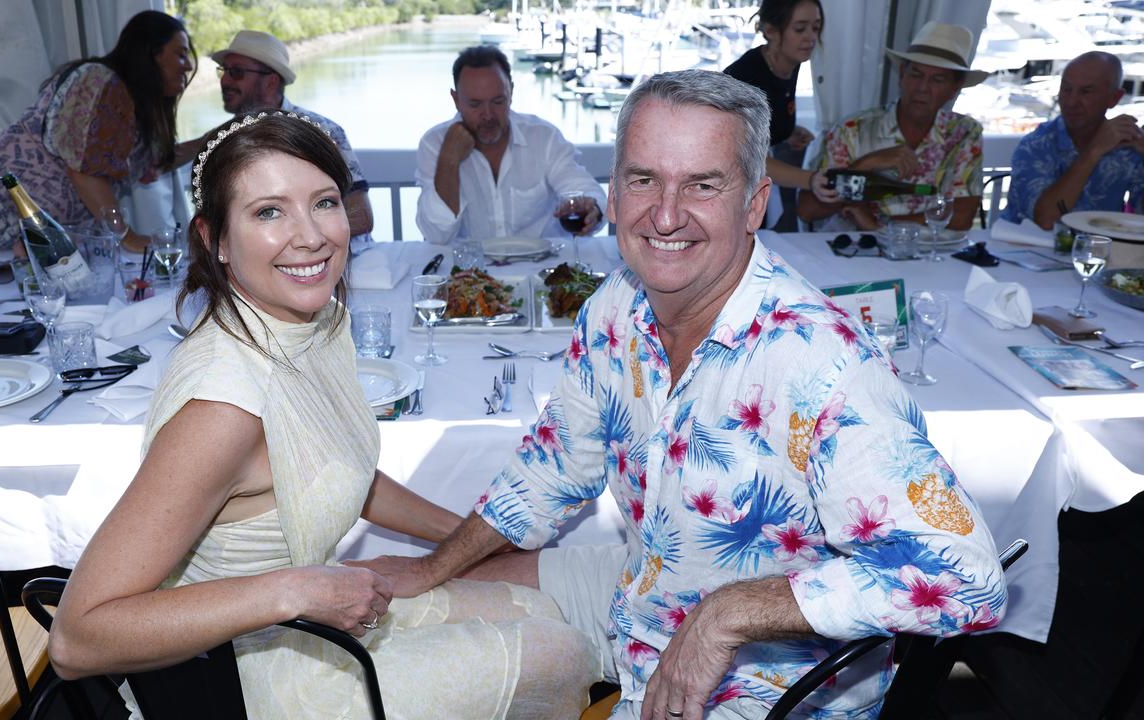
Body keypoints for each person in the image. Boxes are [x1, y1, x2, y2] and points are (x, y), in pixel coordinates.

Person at [357, 69, 1006, 719]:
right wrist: (431, 567)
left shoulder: (822, 364)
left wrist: (728, 614)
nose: (665, 215)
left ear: (753, 204)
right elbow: (549, 472)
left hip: (775, 684)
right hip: (649, 581)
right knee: (408, 601)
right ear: (613, 195)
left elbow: (967, 579)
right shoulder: (615, 309)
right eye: (644, 179)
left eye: (702, 184)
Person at [47, 112, 599, 719]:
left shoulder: (313, 325)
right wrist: (294, 589)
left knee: (543, 611)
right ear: (215, 240)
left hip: (310, 610)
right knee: (560, 651)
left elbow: (333, 465)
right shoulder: (222, 410)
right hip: (257, 670)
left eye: (324, 202)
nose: (310, 236)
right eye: (268, 212)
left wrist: (466, 543)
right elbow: (76, 641)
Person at [0, 11, 198, 270]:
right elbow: (85, 172)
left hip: (50, 234)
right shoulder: (97, 81)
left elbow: (154, 161)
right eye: (180, 53)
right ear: (151, 53)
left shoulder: (131, 105)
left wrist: (218, 137)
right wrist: (127, 237)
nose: (188, 65)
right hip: (2, 209)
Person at [797, 22, 988, 232]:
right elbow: (808, 210)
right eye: (916, 74)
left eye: (937, 79)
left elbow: (962, 219)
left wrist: (880, 227)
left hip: (928, 257)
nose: (922, 88)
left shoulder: (964, 133)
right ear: (902, 75)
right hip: (853, 255)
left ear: (954, 89)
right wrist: (863, 167)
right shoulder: (851, 130)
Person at [415, 45, 606, 245]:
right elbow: (437, 235)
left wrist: (591, 207)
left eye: (498, 101)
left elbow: (583, 189)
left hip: (543, 271)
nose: (488, 115)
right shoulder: (435, 143)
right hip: (469, 273)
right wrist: (449, 159)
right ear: (456, 100)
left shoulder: (543, 137)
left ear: (511, 92)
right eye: (475, 104)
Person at [211, 30, 375, 244]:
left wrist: (288, 238)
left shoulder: (321, 131)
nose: (224, 80)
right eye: (223, 71)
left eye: (236, 72)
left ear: (270, 82)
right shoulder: (225, 140)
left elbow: (361, 217)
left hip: (340, 266)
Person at [1001, 51, 1144, 229]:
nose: (1071, 101)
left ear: (1114, 98)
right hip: (1023, 251)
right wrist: (1093, 152)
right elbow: (1046, 220)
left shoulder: (1126, 147)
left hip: (1097, 252)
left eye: (1086, 92)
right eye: (1066, 89)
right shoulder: (1036, 145)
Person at [723, 0, 836, 221]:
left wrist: (787, 130)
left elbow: (766, 119)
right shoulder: (746, 79)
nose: (811, 37)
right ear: (771, 31)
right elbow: (751, 157)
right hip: (732, 196)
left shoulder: (787, 62)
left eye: (816, 27)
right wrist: (811, 180)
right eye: (800, 28)